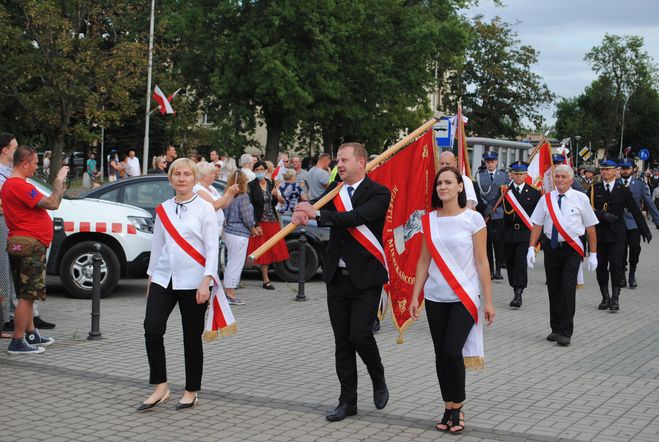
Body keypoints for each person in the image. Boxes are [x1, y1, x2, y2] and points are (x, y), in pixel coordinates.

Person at [292, 142, 390, 422]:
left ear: (361, 162)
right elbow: (316, 208)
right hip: (337, 278)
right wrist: (304, 208)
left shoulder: (379, 192)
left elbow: (355, 217)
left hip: (367, 279)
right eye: (337, 161)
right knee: (342, 343)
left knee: (359, 335)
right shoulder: (334, 191)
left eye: (345, 160)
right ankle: (347, 401)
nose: (340, 165)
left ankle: (378, 376)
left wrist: (318, 213)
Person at [408, 166, 495, 433]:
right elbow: (424, 261)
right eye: (439, 184)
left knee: (451, 350)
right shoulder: (430, 220)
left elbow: (482, 262)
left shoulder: (473, 219)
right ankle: (447, 406)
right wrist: (415, 296)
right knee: (440, 354)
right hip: (436, 296)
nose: (443, 187)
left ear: (460, 187)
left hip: (464, 296)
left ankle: (458, 407)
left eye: (448, 182)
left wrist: (489, 300)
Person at [140, 158, 219, 411]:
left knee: (191, 337)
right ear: (171, 178)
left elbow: (212, 247)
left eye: (187, 174)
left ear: (194, 178)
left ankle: (191, 390)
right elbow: (158, 245)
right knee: (152, 329)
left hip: (195, 280)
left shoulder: (205, 208)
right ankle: (160, 386)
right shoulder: (163, 208)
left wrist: (207, 281)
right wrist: (151, 278)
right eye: (177, 174)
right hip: (164, 277)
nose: (182, 178)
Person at [2, 145, 69, 354]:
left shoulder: (11, 185)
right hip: (30, 244)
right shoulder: (19, 185)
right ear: (24, 164)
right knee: (28, 294)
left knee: (25, 292)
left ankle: (30, 333)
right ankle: (18, 341)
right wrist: (58, 183)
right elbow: (51, 203)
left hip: (20, 241)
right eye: (34, 163)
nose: (36, 167)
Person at [528, 164, 599, 346]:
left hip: (572, 249)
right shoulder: (546, 199)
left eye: (563, 177)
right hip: (551, 249)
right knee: (554, 288)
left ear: (571, 179)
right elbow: (537, 224)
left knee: (567, 289)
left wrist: (593, 253)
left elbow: (590, 227)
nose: (559, 180)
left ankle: (566, 331)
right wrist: (531, 247)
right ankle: (555, 328)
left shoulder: (580, 198)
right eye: (557, 176)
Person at [590, 159, 651, 311]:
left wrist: (645, 230)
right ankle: (605, 297)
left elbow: (635, 210)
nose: (605, 172)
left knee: (617, 266)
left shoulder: (622, 189)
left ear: (615, 171)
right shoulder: (594, 189)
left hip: (617, 234)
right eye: (603, 170)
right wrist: (602, 215)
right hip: (600, 234)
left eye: (608, 170)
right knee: (601, 268)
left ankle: (615, 298)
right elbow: (586, 210)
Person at [502, 161, 541, 308]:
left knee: (520, 262)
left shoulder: (534, 192)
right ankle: (514, 286)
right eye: (515, 174)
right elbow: (493, 206)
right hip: (508, 232)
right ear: (511, 174)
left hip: (525, 233)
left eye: (521, 174)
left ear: (526, 175)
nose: (518, 177)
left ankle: (518, 293)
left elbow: (539, 215)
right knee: (511, 262)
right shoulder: (505, 191)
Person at [247, 161, 289, 290]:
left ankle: (268, 276)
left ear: (265, 170)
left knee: (273, 249)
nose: (259, 171)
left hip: (272, 219)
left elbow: (277, 201)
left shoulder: (270, 183)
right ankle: (266, 279)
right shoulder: (251, 186)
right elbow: (250, 207)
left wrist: (277, 196)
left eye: (261, 169)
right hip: (261, 221)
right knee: (263, 250)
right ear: (254, 171)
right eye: (257, 169)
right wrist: (255, 224)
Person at [619, 160, 659, 288]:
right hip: (618, 222)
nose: (625, 171)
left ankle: (632, 273)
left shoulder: (639, 184)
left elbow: (649, 202)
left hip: (634, 222)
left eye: (628, 168)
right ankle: (621, 275)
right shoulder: (615, 183)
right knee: (620, 251)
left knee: (635, 248)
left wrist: (657, 220)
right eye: (623, 168)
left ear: (633, 169)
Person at [223, 171, 258, 305]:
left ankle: (229, 291)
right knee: (235, 264)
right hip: (239, 233)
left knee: (231, 262)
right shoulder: (243, 196)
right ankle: (230, 293)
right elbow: (247, 217)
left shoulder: (228, 194)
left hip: (228, 231)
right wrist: (253, 229)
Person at [475, 151, 508, 280]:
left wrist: (495, 206)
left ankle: (498, 269)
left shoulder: (504, 176)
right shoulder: (479, 175)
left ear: (496, 162)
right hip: (484, 214)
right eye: (487, 162)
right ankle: (488, 270)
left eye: (492, 162)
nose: (490, 164)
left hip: (498, 213)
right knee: (486, 243)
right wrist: (485, 207)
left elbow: (507, 194)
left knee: (498, 243)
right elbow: (477, 193)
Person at [193, 162, 238, 238]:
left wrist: (232, 193)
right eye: (212, 173)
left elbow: (223, 205)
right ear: (204, 176)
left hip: (216, 232)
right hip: (206, 233)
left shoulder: (211, 187)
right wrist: (228, 193)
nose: (215, 175)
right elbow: (214, 206)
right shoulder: (198, 189)